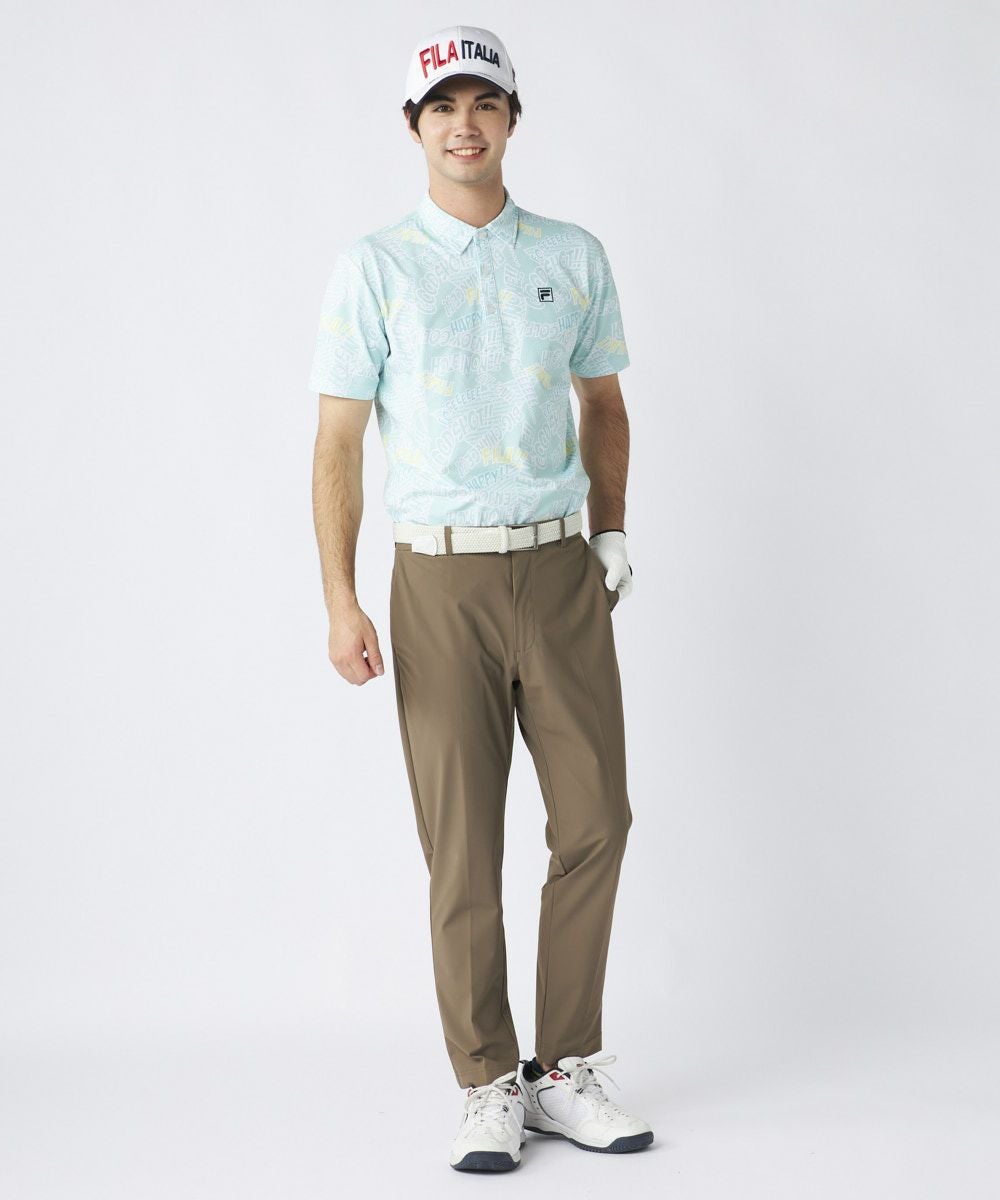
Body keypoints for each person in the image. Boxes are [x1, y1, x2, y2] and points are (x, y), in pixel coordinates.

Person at [308, 24, 654, 1172]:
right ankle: (485, 1080)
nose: (465, 124)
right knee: (461, 847)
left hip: (557, 571)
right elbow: (337, 445)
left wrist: (609, 533)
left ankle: (565, 1069)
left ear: (511, 120)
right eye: (443, 106)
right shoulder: (374, 267)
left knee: (595, 818)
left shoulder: (571, 254)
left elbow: (603, 404)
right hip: (438, 575)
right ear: (415, 126)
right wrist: (341, 600)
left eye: (484, 103)